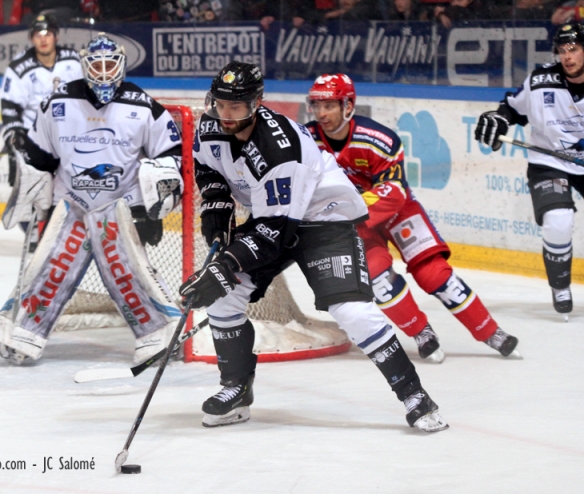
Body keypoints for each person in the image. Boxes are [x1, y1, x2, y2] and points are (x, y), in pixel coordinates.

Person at [177, 61, 448, 433]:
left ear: (257, 102)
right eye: (220, 104)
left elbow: (274, 234)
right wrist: (217, 207)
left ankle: (415, 395)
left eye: (235, 107)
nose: (225, 115)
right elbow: (208, 168)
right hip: (274, 216)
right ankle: (236, 390)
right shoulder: (211, 124)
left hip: (324, 221)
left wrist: (224, 267)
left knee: (351, 310)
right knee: (227, 297)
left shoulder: (280, 149)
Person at [0, 33, 185, 366]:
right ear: (84, 66)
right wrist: (34, 189)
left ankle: (161, 336)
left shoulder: (143, 106)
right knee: (51, 268)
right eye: (97, 64)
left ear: (122, 65)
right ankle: (23, 332)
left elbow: (169, 156)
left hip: (120, 208)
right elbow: (41, 157)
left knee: (128, 272)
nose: (105, 71)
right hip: (72, 206)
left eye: (111, 63)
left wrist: (151, 211)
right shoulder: (58, 103)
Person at [306, 74, 519, 363]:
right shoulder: (306, 141)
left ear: (348, 105)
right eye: (316, 106)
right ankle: (421, 332)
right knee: (376, 278)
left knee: (436, 274)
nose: (321, 114)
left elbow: (394, 193)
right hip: (353, 221)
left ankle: (490, 331)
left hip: (393, 211)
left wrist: (343, 211)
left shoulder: (378, 139)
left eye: (329, 105)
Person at [474, 23, 584, 317]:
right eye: (563, 50)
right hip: (549, 162)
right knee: (559, 219)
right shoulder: (540, 80)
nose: (568, 57)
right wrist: (500, 119)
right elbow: (513, 108)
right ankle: (561, 287)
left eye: (574, 50)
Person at [0, 14, 82, 250]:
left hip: (68, 136)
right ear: (32, 38)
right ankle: (36, 236)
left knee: (71, 186)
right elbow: (9, 105)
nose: (43, 39)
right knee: (31, 189)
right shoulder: (19, 67)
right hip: (33, 139)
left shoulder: (74, 61)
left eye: (47, 34)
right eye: (38, 35)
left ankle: (64, 233)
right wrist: (15, 133)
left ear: (56, 35)